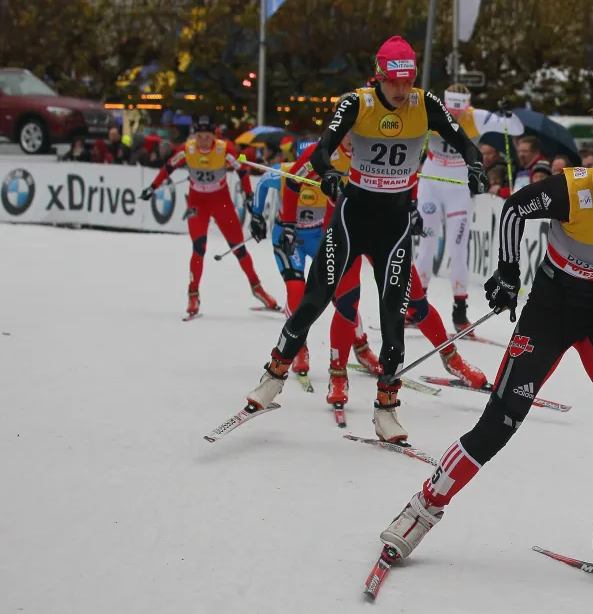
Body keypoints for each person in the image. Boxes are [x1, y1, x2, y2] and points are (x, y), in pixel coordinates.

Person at [377, 100, 593, 572]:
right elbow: (513, 210)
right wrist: (506, 272)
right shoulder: (572, 191)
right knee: (501, 422)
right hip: (552, 309)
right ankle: (421, 510)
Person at [243, 36, 488, 444]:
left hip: (393, 228)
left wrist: (475, 164)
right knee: (313, 302)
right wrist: (329, 175)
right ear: (379, 77)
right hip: (351, 219)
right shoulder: (357, 103)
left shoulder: (424, 103)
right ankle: (273, 376)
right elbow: (322, 151)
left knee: (394, 318)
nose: (400, 91)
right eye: (393, 83)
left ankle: (386, 410)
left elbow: (462, 140)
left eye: (406, 82)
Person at [140, 115, 277, 317]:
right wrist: (152, 187)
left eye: (207, 137)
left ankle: (257, 288)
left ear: (214, 135)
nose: (203, 141)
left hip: (221, 203)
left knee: (239, 248)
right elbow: (168, 167)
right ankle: (193, 294)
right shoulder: (189, 149)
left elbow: (242, 170)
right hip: (197, 204)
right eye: (200, 136)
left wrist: (248, 195)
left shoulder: (223, 148)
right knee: (198, 247)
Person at [416, 85, 524, 330]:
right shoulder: (432, 112)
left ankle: (459, 312)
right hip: (431, 182)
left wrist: (509, 115)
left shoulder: (477, 117)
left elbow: (516, 129)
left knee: (458, 249)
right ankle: (417, 307)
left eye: (459, 111)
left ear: (467, 105)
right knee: (427, 245)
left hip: (458, 186)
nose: (454, 116)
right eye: (450, 109)